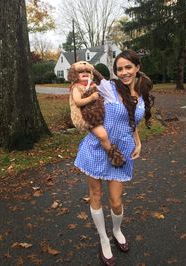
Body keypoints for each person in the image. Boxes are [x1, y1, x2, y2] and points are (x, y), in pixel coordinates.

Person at [74, 50, 154, 265]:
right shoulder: (108, 88)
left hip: (121, 154)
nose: (124, 72)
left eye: (128, 67)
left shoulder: (142, 93)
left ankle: (116, 230)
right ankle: (104, 239)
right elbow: (80, 91)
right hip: (96, 149)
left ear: (137, 67)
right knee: (96, 196)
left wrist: (138, 141)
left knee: (116, 202)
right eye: (120, 68)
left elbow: (132, 122)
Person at [68, 61, 124, 167]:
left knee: (105, 133)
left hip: (95, 113)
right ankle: (114, 156)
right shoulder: (76, 87)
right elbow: (78, 102)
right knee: (103, 135)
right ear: (75, 74)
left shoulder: (91, 84)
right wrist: (91, 98)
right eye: (81, 72)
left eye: (87, 71)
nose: (85, 73)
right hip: (87, 118)